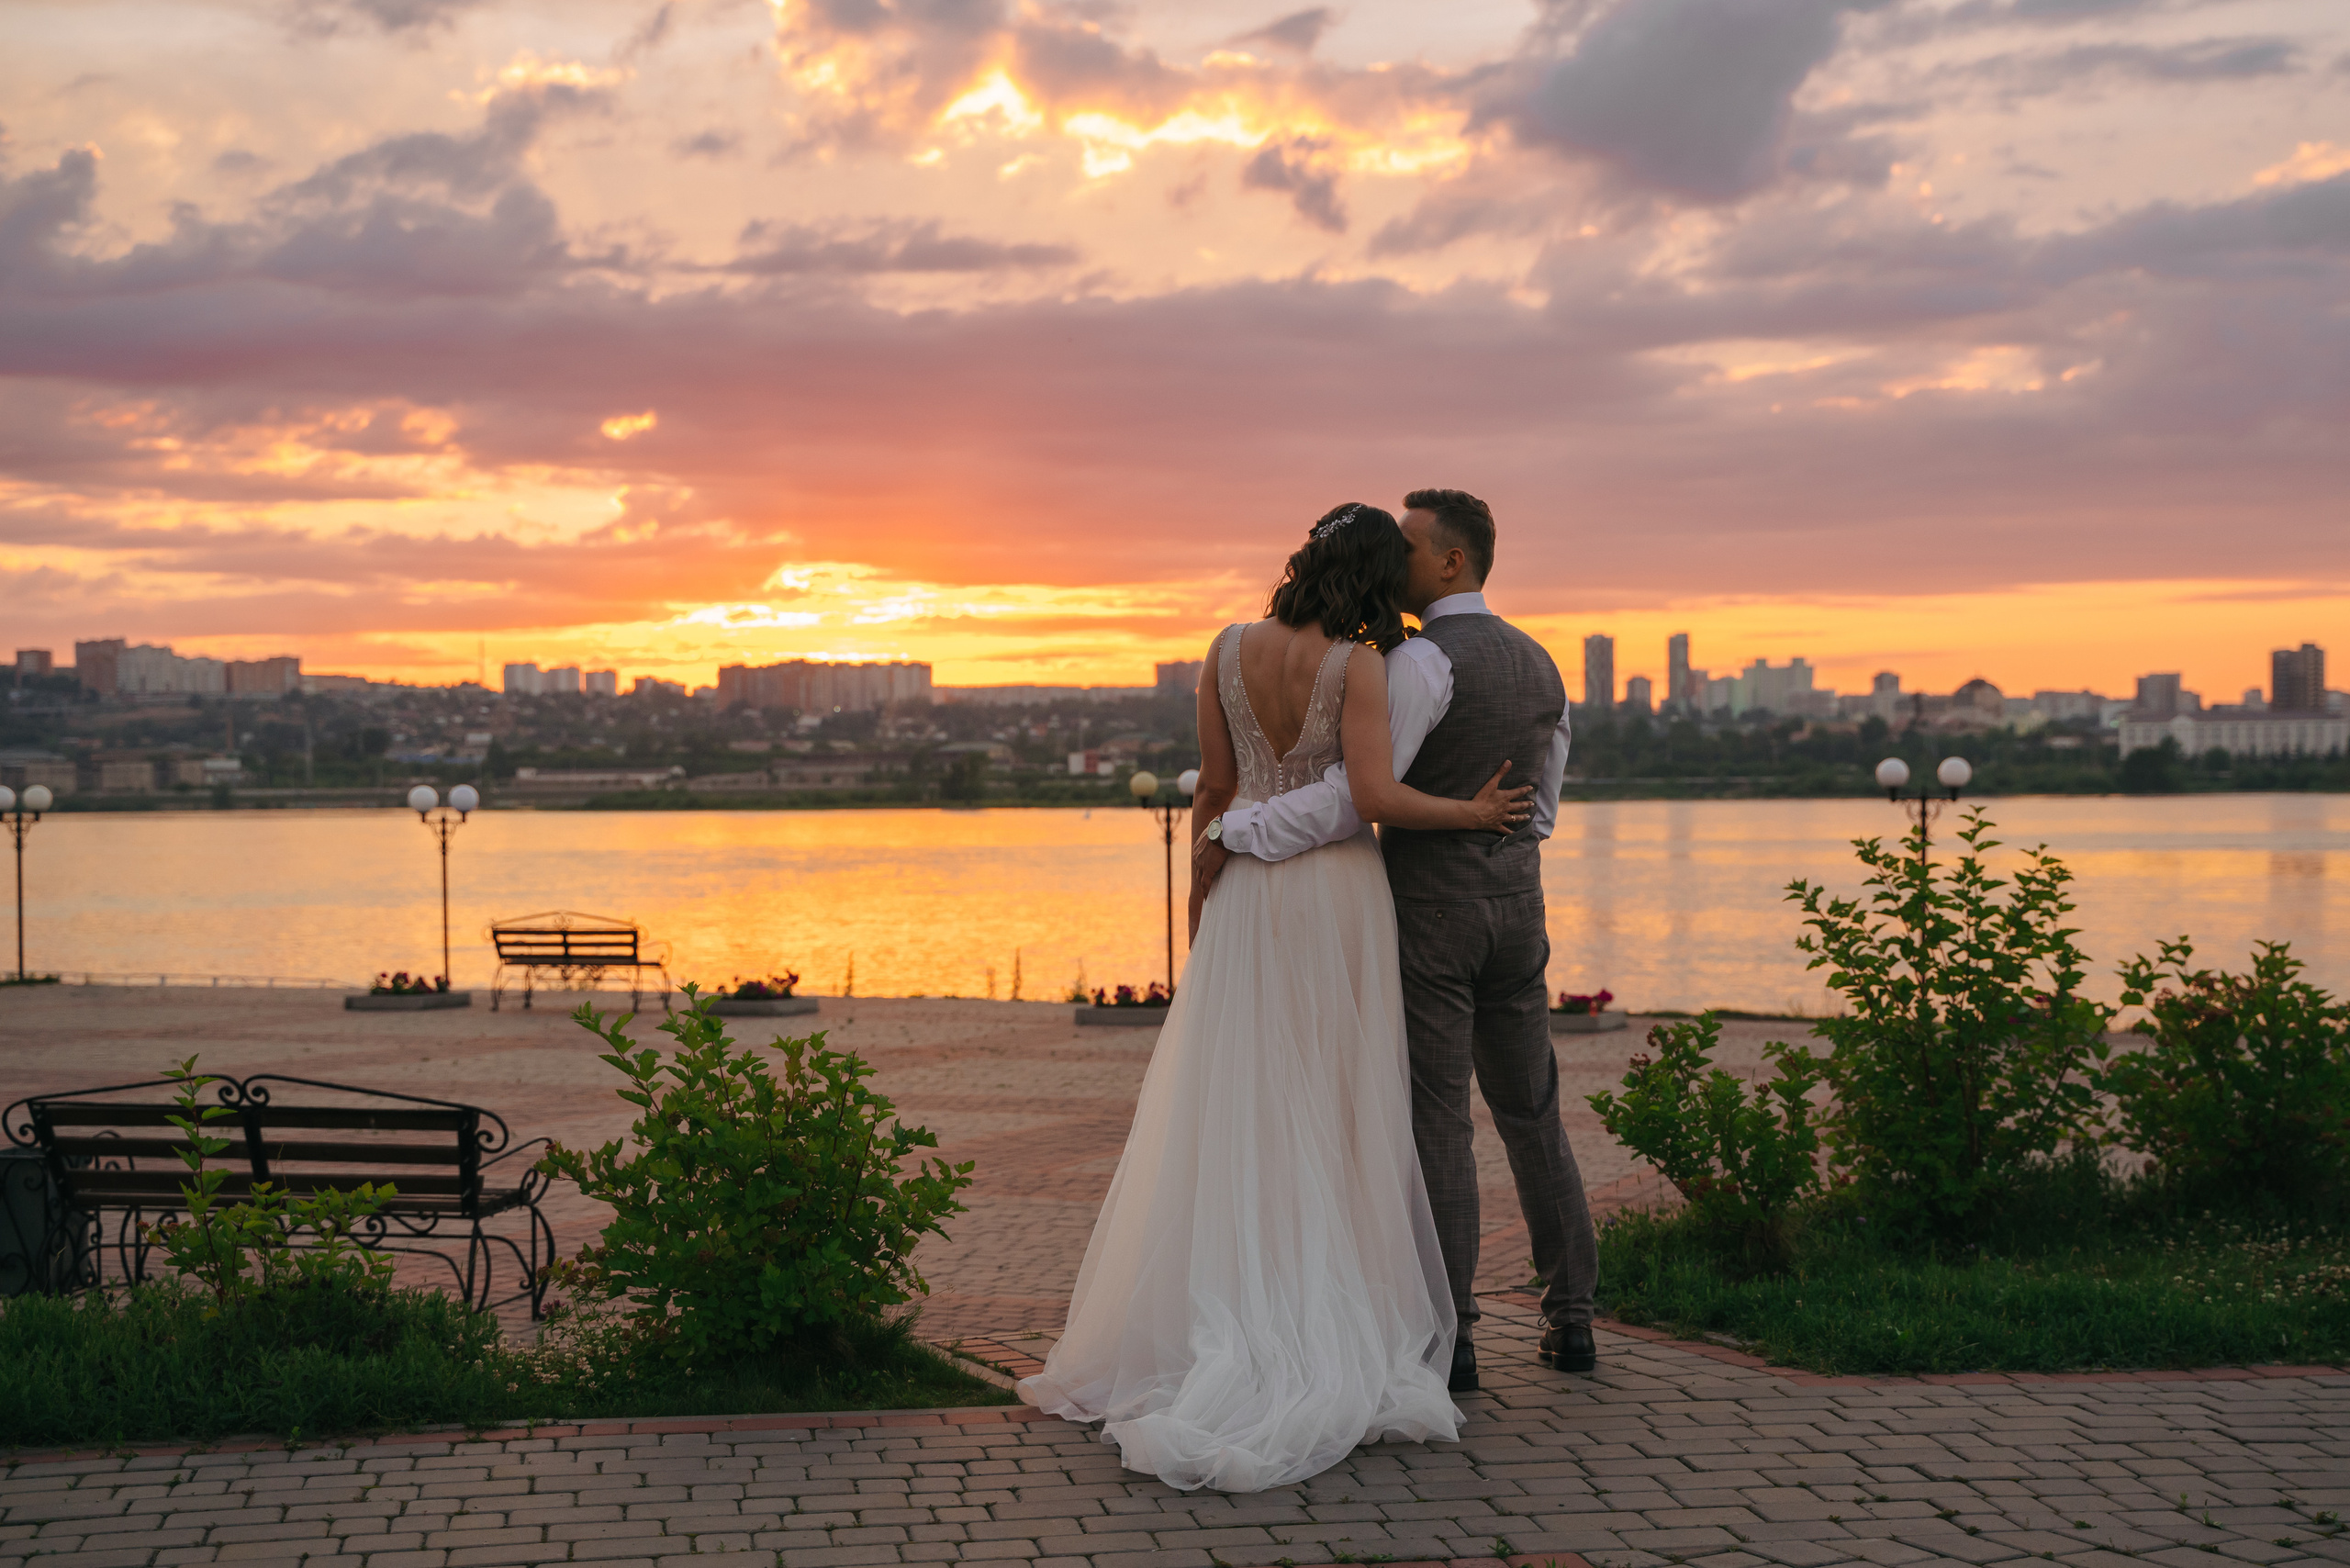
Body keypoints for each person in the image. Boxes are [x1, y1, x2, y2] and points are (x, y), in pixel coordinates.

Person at [1016, 501, 1532, 1493]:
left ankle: (1224, 1309)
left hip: (1248, 897)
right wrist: (1468, 810)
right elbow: (1373, 799)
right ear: (1380, 577)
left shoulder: (1223, 648)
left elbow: (1212, 792)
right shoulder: (1364, 662)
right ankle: (1318, 1310)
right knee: (1338, 1104)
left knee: (1240, 1102)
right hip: (1337, 893)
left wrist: (1202, 903)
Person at [1196, 487, 1599, 1393]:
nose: (1397, 563)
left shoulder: (1417, 663)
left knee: (1437, 1120)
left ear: (1450, 561)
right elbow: (1540, 811)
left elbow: (1355, 794)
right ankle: (1573, 1319)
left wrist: (1237, 832)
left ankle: (1449, 1338)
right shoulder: (1541, 663)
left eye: (1411, 547)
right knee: (1533, 1108)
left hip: (1431, 917)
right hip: (1517, 909)